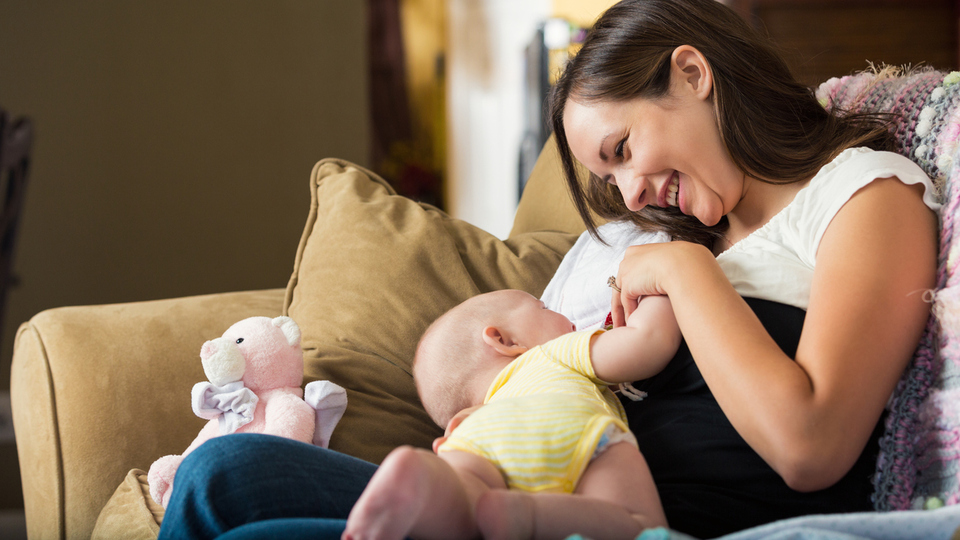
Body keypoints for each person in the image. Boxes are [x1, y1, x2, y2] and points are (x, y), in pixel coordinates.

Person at [157, 0, 940, 538]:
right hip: (528, 495)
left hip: (634, 521)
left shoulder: (864, 195)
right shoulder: (697, 239)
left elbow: (811, 447)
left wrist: (682, 272)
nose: (630, 195)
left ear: (694, 73)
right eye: (613, 180)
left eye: (622, 151)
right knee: (229, 470)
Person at [342, 289, 679, 540]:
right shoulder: (551, 354)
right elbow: (647, 342)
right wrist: (657, 292)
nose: (561, 314)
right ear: (504, 340)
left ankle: (426, 481)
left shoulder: (474, 417)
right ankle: (527, 517)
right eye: (544, 307)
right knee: (639, 526)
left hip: (472, 444)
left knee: (464, 506)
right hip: (562, 425)